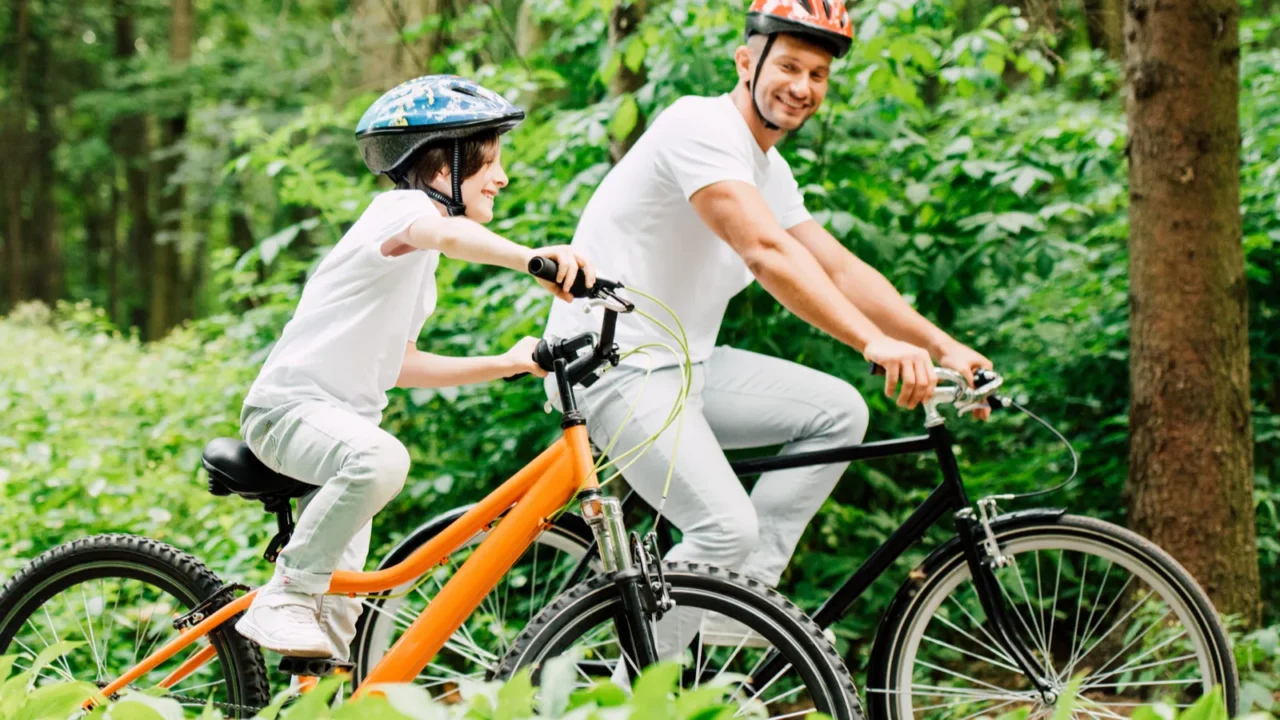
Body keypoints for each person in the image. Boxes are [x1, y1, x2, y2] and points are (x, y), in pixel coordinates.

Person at [543, 0, 991, 639]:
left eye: (818, 75)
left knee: (837, 413)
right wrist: (875, 344)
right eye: (788, 66)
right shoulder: (698, 126)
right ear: (746, 61)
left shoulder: (769, 170)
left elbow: (839, 268)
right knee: (723, 525)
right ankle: (632, 701)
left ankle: (732, 617)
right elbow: (767, 251)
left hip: (686, 368)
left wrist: (946, 347)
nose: (802, 87)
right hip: (611, 366)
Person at [234, 75, 595, 659]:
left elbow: (400, 363)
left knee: (335, 632)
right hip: (288, 414)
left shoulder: (414, 258)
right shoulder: (399, 211)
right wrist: (534, 260)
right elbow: (448, 234)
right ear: (441, 170)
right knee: (379, 459)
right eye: (489, 163)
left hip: (340, 433)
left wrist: (505, 362)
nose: (501, 177)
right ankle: (284, 593)